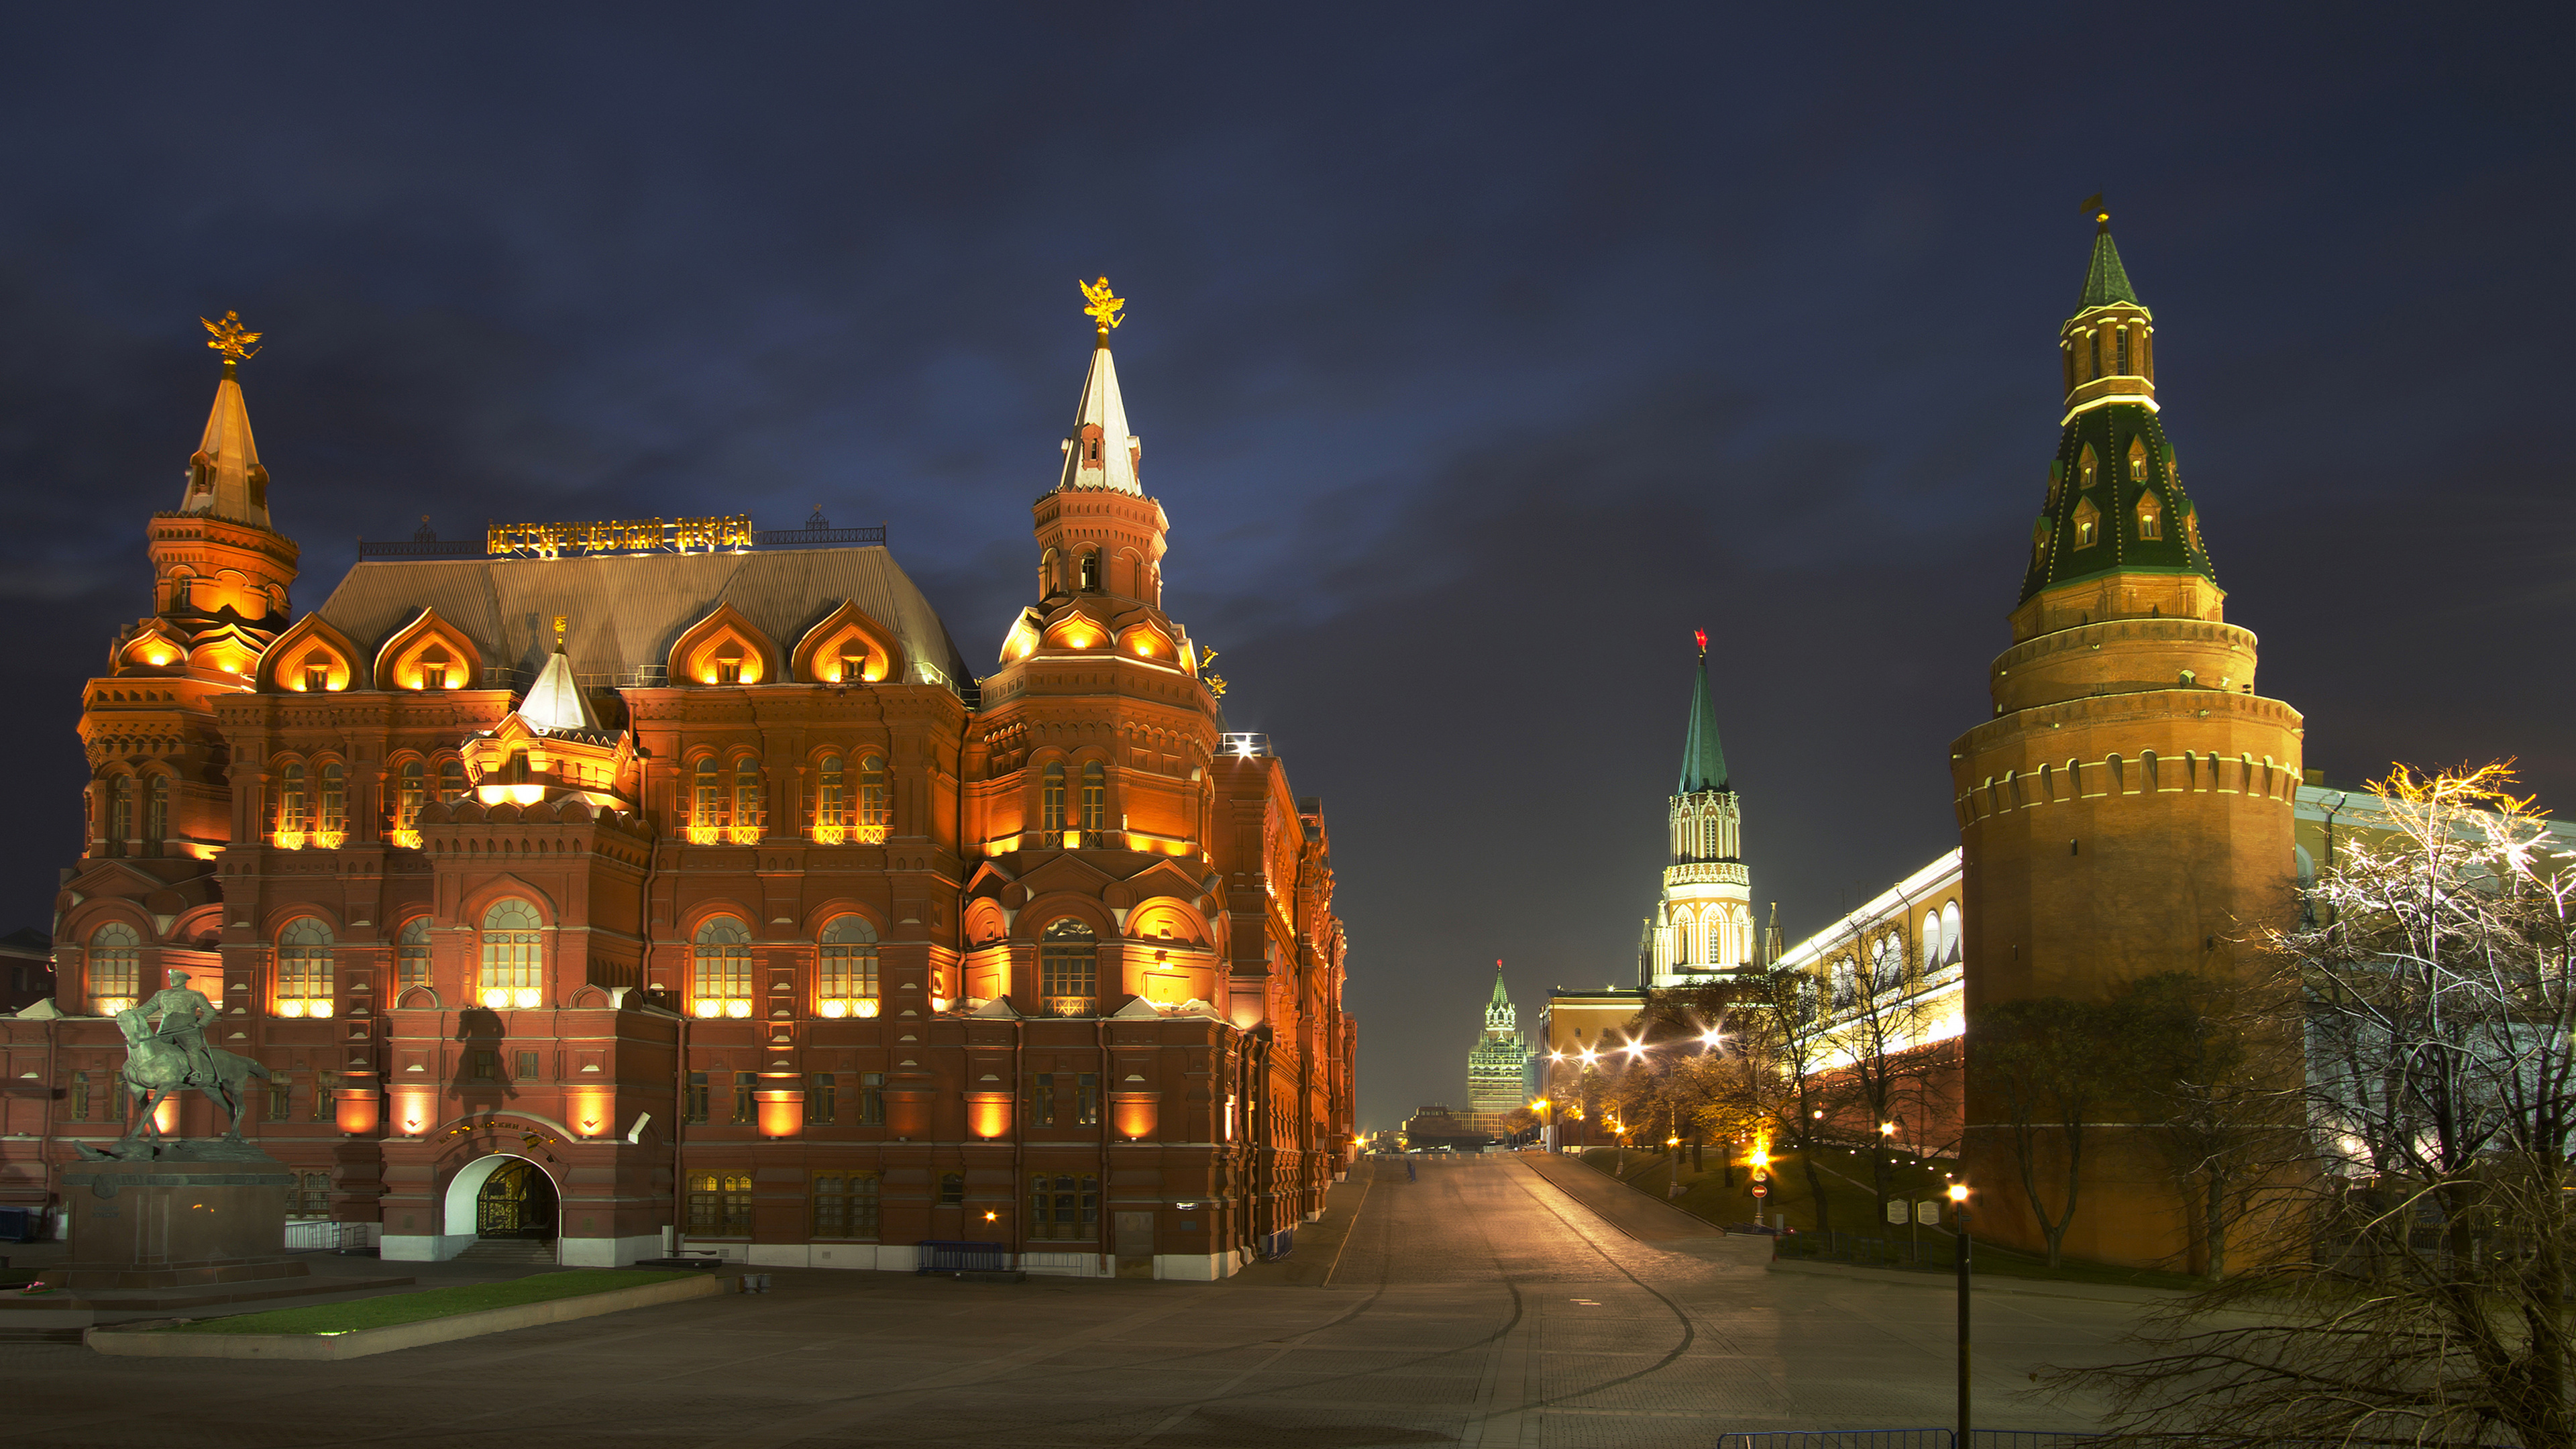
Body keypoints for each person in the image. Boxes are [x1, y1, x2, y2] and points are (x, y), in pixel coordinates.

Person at [140, 968, 217, 1083]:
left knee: (191, 1049)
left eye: (175, 978)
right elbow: (146, 1009)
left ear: (183, 980)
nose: (172, 980)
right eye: (171, 978)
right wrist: (130, 1014)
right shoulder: (161, 995)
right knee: (151, 1048)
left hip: (186, 1029)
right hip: (165, 1029)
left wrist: (200, 1024)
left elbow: (210, 1011)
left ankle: (197, 1073)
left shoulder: (195, 995)